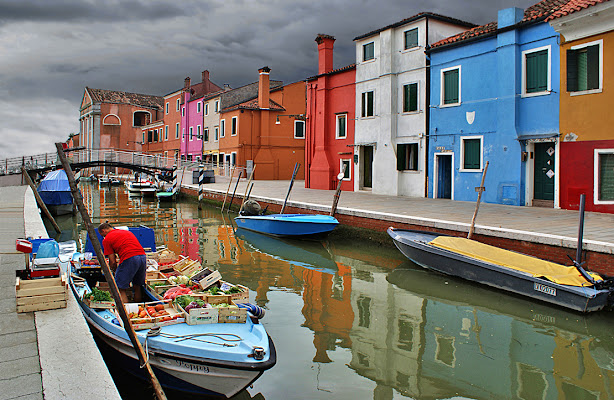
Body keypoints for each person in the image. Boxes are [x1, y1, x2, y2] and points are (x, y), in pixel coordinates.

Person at [98, 223, 147, 302]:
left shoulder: (107, 239)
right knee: (137, 286)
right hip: (142, 257)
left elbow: (112, 261)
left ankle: (125, 311)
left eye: (102, 235)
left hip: (129, 258)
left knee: (121, 288)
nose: (103, 237)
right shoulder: (126, 232)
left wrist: (113, 270)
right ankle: (138, 308)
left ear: (103, 231)